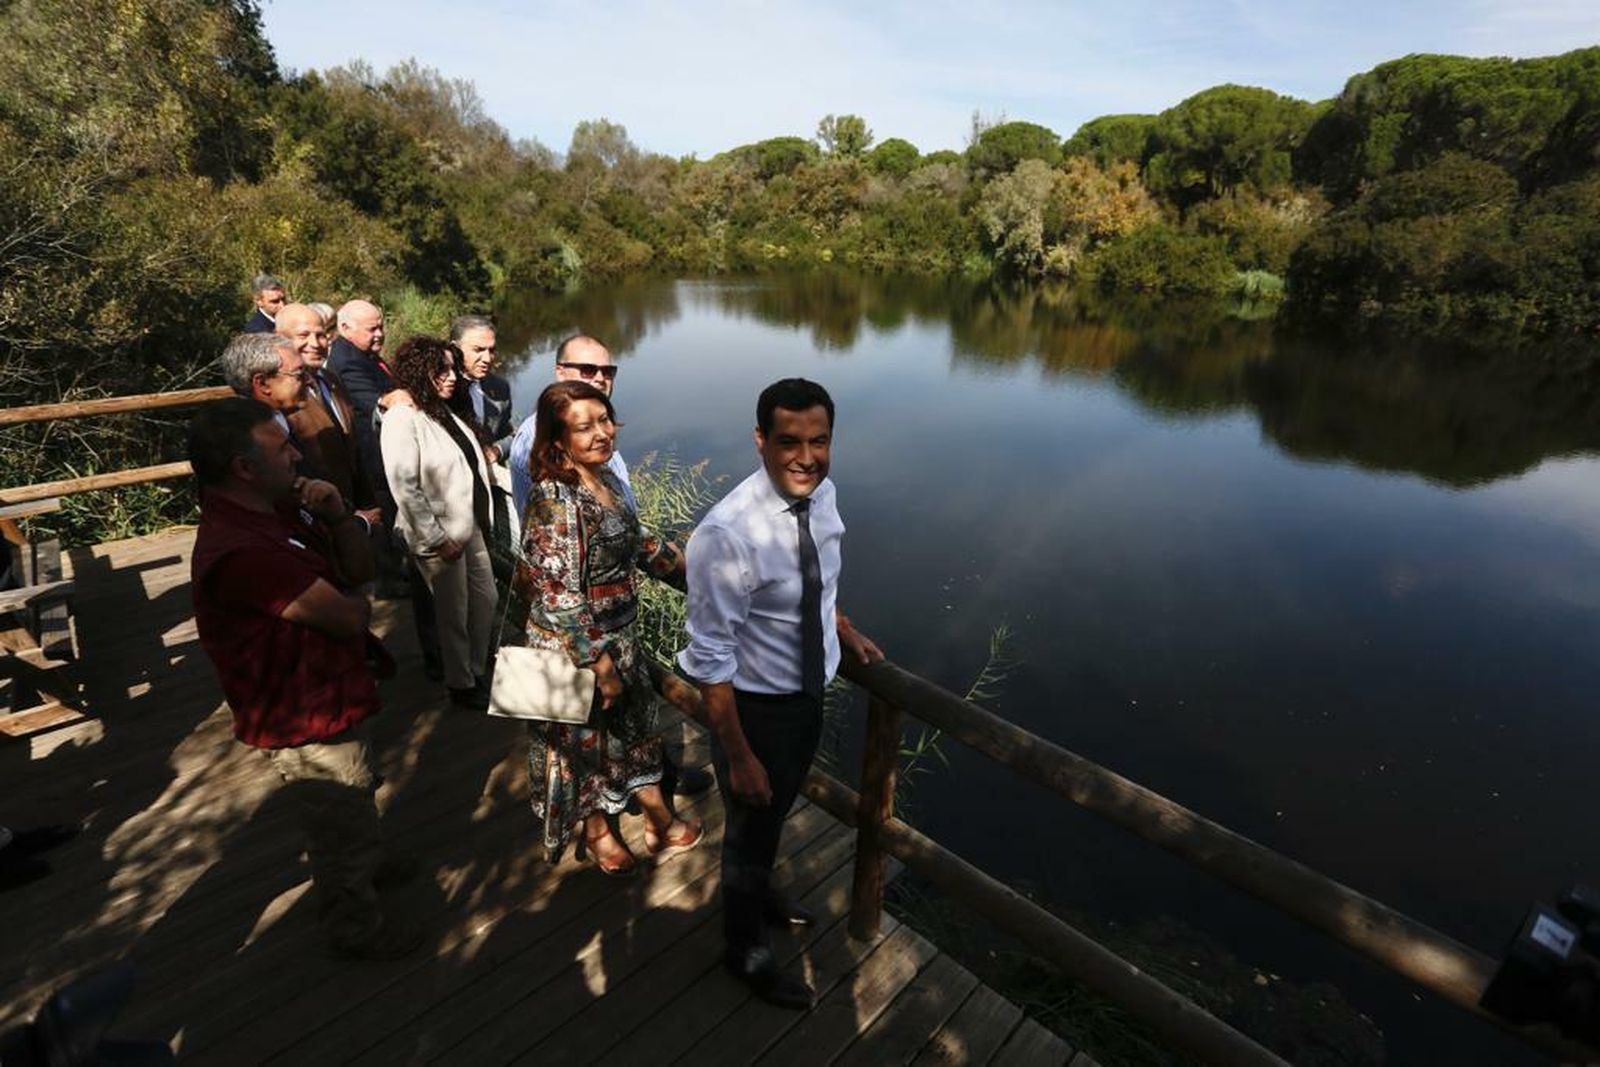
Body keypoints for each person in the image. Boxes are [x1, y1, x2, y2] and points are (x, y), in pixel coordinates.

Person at [188, 397, 420, 960]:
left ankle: (372, 861)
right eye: (282, 447)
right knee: (336, 821)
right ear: (244, 468)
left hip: (332, 691)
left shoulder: (278, 512)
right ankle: (357, 929)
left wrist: (338, 516)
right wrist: (354, 597)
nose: (296, 455)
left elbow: (358, 571)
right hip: (303, 712)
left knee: (356, 789)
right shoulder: (243, 550)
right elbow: (348, 615)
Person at [678, 377, 882, 1009]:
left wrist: (839, 623)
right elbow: (710, 659)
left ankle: (762, 894)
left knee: (772, 815)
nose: (807, 457)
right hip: (754, 713)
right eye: (789, 441)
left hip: (805, 699)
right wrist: (739, 754)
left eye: (820, 441)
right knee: (747, 833)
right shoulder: (726, 535)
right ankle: (745, 951)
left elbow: (816, 575)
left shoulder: (822, 495)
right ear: (760, 440)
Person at [508, 334, 714, 803]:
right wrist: (596, 659)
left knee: (617, 734)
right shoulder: (553, 494)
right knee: (579, 744)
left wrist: (696, 573)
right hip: (576, 643)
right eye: (585, 427)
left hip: (613, 633)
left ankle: (643, 815)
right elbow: (556, 589)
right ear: (560, 439)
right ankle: (605, 830)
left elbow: (637, 540)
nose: (602, 432)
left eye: (605, 421)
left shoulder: (602, 477)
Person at [379, 337, 498, 710]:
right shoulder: (403, 418)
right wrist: (435, 537)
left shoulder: (441, 410)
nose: (451, 377)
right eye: (440, 369)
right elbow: (404, 486)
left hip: (468, 526)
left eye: (452, 368)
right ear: (419, 372)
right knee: (452, 615)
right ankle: (461, 685)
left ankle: (475, 669)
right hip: (439, 536)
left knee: (486, 600)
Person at [279, 303, 378, 525]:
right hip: (318, 518)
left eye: (321, 335)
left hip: (357, 514)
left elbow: (353, 448)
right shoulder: (279, 399)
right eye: (303, 335)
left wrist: (366, 507)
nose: (315, 344)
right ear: (280, 338)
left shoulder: (331, 380)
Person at [447, 315, 517, 558]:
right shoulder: (440, 386)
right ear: (454, 349)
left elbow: (511, 434)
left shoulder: (500, 387)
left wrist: (497, 450)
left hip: (489, 491)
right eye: (478, 350)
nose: (487, 358)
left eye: (491, 350)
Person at [218, 332, 307, 433]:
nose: (308, 380)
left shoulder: (280, 422)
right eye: (298, 374)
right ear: (263, 384)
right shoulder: (249, 435)